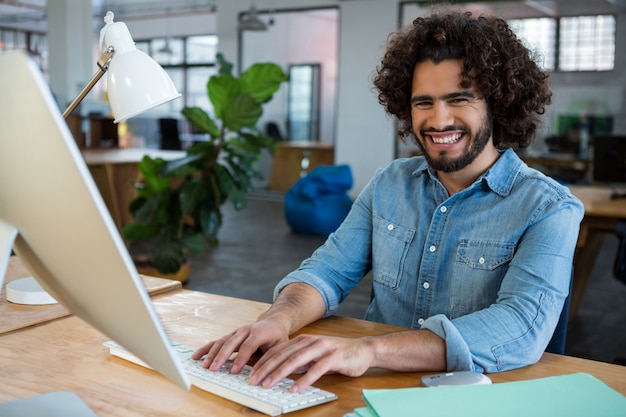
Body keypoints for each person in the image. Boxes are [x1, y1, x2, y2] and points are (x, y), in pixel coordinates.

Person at [193, 10, 584, 393]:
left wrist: (370, 350)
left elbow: (521, 327)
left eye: (459, 99)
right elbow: (327, 272)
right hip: (373, 390)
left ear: (498, 104)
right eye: (423, 102)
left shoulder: (549, 208)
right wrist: (278, 320)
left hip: (476, 397)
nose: (438, 120)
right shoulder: (388, 184)